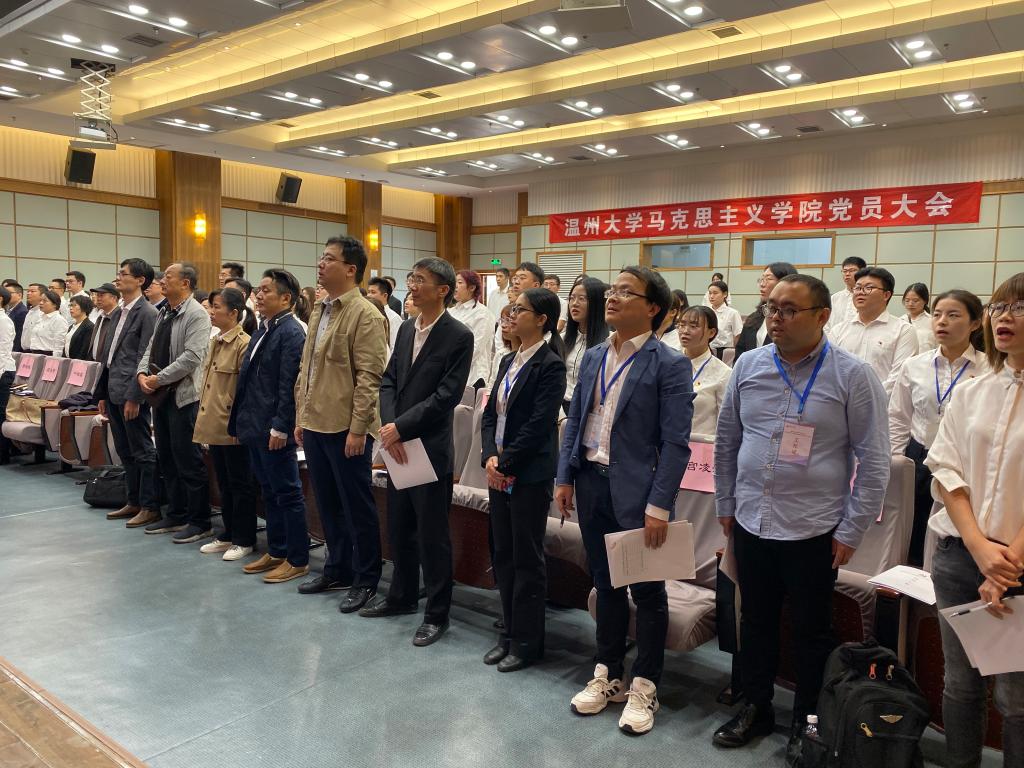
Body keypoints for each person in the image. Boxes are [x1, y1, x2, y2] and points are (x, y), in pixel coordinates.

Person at [712, 274, 891, 763]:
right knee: (756, 622)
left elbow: (875, 461)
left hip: (815, 528)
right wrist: (725, 505)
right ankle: (756, 707)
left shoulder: (853, 375)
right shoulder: (748, 364)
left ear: (822, 316)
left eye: (790, 310)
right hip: (751, 520)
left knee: (812, 633)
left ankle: (807, 721)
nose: (776, 318)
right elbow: (727, 441)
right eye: (772, 307)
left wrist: (852, 529)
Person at [556, 266, 694, 736]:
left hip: (639, 494)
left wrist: (659, 505)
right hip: (591, 482)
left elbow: (676, 444)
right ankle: (608, 673)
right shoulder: (595, 355)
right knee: (606, 583)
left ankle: (645, 684)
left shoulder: (669, 363)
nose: (611, 297)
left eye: (625, 292)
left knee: (649, 593)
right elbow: (577, 420)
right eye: (611, 290)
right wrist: (565, 476)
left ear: (653, 307)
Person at [925, 272, 1024, 768]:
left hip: (1017, 565)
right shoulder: (972, 392)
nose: (1005, 317)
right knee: (960, 682)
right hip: (960, 556)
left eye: (1020, 308)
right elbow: (947, 472)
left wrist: (1004, 564)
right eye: (1000, 307)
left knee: (1017, 696)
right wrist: (980, 548)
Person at [360, 258, 473, 646]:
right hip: (398, 444)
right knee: (399, 526)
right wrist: (391, 427)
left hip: (428, 447)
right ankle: (402, 596)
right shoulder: (407, 327)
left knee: (432, 534)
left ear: (443, 290)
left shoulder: (458, 335)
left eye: (421, 280)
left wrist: (402, 427)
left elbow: (447, 395)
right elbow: (389, 380)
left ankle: (437, 614)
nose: (412, 285)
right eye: (412, 278)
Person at [295, 236, 389, 613]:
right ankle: (337, 568)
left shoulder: (366, 314)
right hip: (315, 422)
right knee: (327, 503)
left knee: (356, 506)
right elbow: (307, 368)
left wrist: (358, 428)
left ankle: (366, 578)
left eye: (329, 259)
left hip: (346, 427)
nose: (321, 263)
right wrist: (301, 416)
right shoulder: (320, 309)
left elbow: (369, 377)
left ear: (351, 270)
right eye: (321, 257)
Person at [481, 287, 566, 671]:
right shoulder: (507, 360)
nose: (512, 315)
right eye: (512, 309)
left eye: (521, 310)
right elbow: (489, 416)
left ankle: (527, 641)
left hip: (528, 473)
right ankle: (508, 631)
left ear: (542, 319)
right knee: (503, 553)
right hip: (499, 469)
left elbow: (539, 424)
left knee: (527, 557)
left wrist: (506, 462)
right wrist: (489, 455)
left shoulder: (550, 365)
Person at [889, 289, 988, 565]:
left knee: (951, 528)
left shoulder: (988, 368)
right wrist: (895, 460)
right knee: (912, 525)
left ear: (975, 323)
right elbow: (898, 416)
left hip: (964, 461)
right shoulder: (914, 365)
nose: (942, 321)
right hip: (919, 454)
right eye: (937, 314)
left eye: (953, 315)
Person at [231, 271, 310, 579]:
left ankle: (297, 558)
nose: (259, 295)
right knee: (269, 491)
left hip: (274, 427)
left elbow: (289, 384)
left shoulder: (291, 331)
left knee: (287, 493)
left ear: (286, 298)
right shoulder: (265, 327)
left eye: (266, 291)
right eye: (259, 290)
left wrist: (281, 426)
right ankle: (277, 550)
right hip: (256, 423)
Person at [137, 263, 214, 544]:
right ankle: (177, 513)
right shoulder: (164, 311)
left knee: (188, 460)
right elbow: (150, 347)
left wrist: (158, 379)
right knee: (167, 457)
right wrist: (142, 373)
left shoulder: (196, 314)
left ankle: (200, 521)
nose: (162, 280)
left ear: (185, 283)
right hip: (161, 396)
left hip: (184, 397)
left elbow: (192, 357)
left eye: (168, 277)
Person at [192, 288, 258, 563]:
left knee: (240, 484)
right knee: (224, 482)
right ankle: (228, 533)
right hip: (214, 423)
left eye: (216, 307)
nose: (211, 311)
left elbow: (245, 390)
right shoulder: (216, 341)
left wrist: (240, 426)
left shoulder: (244, 344)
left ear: (233, 313)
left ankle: (244, 538)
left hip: (232, 426)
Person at [96, 261, 160, 528]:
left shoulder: (147, 313)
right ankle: (132, 500)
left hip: (131, 393)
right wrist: (102, 392)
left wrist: (136, 396)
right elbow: (108, 357)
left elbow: (145, 356)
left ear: (140, 280)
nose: (118, 278)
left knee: (142, 451)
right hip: (113, 389)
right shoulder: (119, 311)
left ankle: (150, 506)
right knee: (124, 449)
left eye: (124, 274)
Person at [830, 266, 919, 396]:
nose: (860, 292)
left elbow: (899, 377)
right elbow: (830, 369)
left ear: (886, 295)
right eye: (857, 288)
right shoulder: (838, 330)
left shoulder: (904, 330)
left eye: (868, 288)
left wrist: (866, 399)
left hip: (884, 405)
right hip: (842, 403)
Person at [677, 305, 732, 439]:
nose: (685, 331)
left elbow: (726, 424)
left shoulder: (723, 373)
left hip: (701, 446)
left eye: (693, 326)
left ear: (711, 333)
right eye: (682, 325)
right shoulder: (668, 364)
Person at [734, 262, 798, 360]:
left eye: (768, 279)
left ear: (785, 282)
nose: (762, 284)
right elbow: (740, 354)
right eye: (762, 279)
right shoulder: (753, 318)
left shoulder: (795, 318)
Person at [562, 276, 609, 409]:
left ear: (597, 303)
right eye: (572, 298)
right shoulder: (562, 339)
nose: (574, 303)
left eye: (582, 299)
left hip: (588, 409)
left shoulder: (609, 342)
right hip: (559, 408)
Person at [449, 269, 495, 389]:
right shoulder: (451, 311)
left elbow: (475, 348)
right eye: (455, 282)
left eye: (460, 282)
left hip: (473, 374)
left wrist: (451, 364)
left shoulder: (483, 313)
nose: (455, 286)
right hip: (450, 370)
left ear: (472, 287)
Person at [824, 256, 865, 331]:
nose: (847, 274)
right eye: (844, 271)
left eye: (852, 270)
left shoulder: (867, 297)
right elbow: (826, 324)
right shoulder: (835, 298)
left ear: (862, 272)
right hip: (834, 337)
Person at [707, 280, 743, 358]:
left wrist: (737, 354)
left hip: (725, 352)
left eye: (715, 293)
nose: (711, 296)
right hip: (708, 350)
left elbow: (738, 335)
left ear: (725, 294)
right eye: (710, 293)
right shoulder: (706, 312)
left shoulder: (732, 313)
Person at [0, 286, 15, 465]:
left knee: (1, 412)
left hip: (3, 371)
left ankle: (3, 454)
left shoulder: (4, 320)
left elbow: (3, 350)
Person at [29, 289, 70, 356]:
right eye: (40, 300)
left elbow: (59, 345)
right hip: (34, 353)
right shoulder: (40, 318)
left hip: (48, 355)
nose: (41, 303)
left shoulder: (59, 320)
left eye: (45, 301)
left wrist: (55, 359)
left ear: (54, 304)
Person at [367, 276, 403, 350]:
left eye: (373, 292)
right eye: (368, 292)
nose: (369, 295)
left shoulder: (394, 318)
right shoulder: (367, 313)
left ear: (385, 295)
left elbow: (394, 347)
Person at [88, 284, 120, 363]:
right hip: (95, 363)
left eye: (101, 295)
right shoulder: (101, 316)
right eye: (97, 295)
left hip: (109, 365)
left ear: (113, 298)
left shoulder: (119, 317)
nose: (98, 298)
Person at [902, 283, 937, 352]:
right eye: (907, 300)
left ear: (925, 301)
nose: (910, 304)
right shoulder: (900, 321)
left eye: (915, 301)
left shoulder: (933, 321)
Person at [64, 295, 95, 360]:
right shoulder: (71, 326)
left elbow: (84, 350)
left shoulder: (89, 327)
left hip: (79, 363)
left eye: (74, 305)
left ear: (84, 307)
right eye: (70, 305)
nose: (71, 308)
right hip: (68, 361)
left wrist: (75, 363)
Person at [3, 282, 27, 352]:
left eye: (9, 293)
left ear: (19, 295)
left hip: (14, 351)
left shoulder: (22, 312)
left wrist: (14, 353)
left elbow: (19, 337)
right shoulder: (7, 310)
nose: (6, 296)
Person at [20, 283, 45, 352]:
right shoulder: (30, 311)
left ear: (42, 295)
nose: (28, 293)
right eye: (28, 291)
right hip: (25, 350)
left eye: (32, 291)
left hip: (36, 351)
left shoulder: (43, 313)